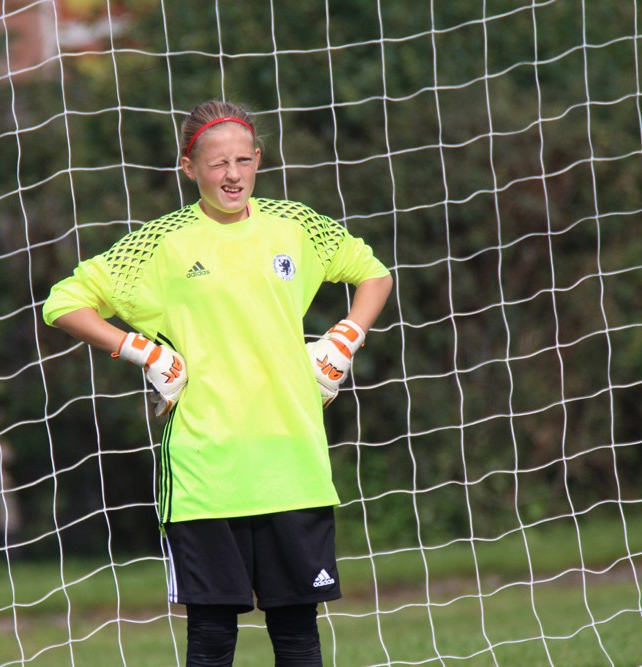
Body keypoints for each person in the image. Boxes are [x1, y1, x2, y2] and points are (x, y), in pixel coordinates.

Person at [43, 99, 393, 666]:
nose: (232, 175)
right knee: (211, 637)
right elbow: (64, 303)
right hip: (206, 471)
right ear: (189, 168)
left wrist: (345, 338)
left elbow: (374, 274)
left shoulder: (295, 225)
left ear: (258, 159)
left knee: (298, 634)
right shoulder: (162, 242)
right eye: (217, 163)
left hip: (293, 464)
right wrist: (142, 351)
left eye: (243, 160)